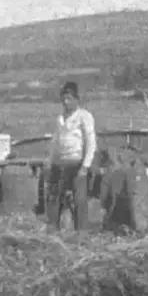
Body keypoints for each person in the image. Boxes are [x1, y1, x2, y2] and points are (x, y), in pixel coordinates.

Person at [45, 81, 97, 231]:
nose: (65, 102)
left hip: (77, 162)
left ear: (76, 99)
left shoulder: (84, 117)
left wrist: (85, 167)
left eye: (69, 99)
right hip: (59, 162)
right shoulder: (60, 119)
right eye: (63, 99)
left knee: (79, 198)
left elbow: (91, 142)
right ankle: (52, 229)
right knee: (54, 196)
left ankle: (82, 231)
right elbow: (55, 141)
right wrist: (50, 160)